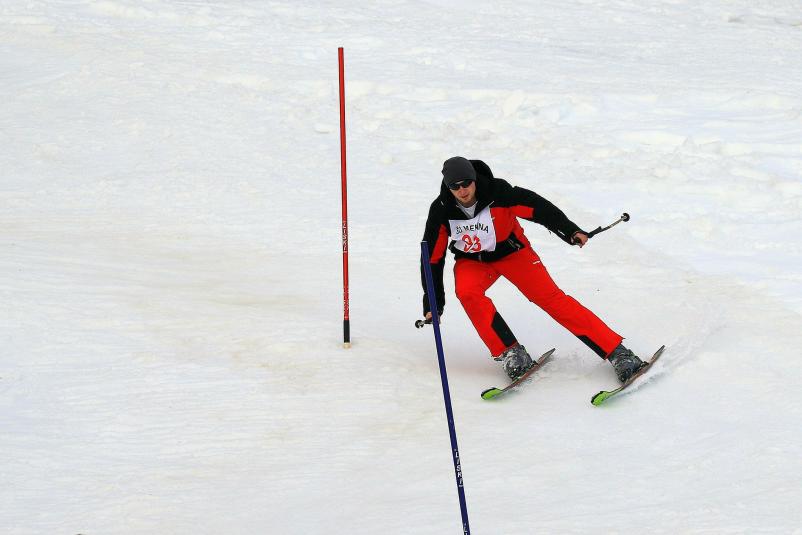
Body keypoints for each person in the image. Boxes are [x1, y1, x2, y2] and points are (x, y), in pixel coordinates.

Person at [420, 156, 644, 382]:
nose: (462, 190)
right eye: (454, 186)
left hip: (512, 253)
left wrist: (570, 231)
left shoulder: (498, 192)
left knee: (551, 298)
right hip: (473, 261)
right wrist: (433, 302)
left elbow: (538, 207)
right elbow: (432, 258)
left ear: (474, 179)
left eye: (466, 183)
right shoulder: (441, 209)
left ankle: (618, 353)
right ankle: (511, 353)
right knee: (467, 292)